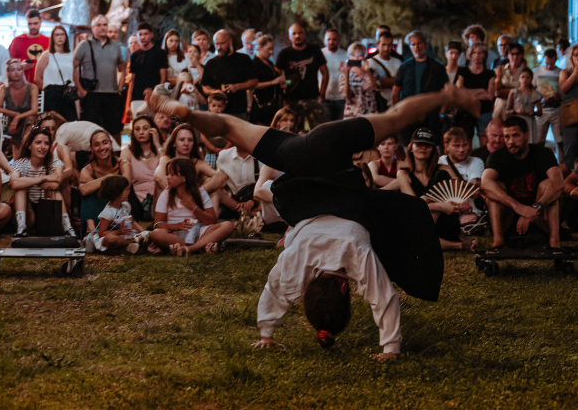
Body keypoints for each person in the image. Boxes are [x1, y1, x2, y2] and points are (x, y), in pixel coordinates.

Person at [150, 85, 480, 359]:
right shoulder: (299, 258)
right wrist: (265, 333)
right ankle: (188, 114)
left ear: (344, 288)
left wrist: (390, 348)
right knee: (226, 126)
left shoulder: (357, 253)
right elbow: (275, 289)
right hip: (295, 154)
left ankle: (447, 95)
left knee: (396, 118)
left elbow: (384, 298)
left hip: (332, 146)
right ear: (308, 289)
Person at [481, 114, 564, 250]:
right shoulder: (497, 157)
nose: (510, 141)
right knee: (495, 190)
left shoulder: (543, 153)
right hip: (509, 216)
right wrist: (517, 207)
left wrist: (536, 208)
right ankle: (498, 242)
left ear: (527, 134)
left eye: (515, 136)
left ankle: (554, 243)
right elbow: (485, 183)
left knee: (548, 185)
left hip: (539, 216)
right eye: (507, 137)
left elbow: (558, 183)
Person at [397, 128, 474, 252]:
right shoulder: (403, 174)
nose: (423, 148)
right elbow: (414, 207)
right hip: (422, 223)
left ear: (433, 149)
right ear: (411, 147)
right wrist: (440, 206)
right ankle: (458, 245)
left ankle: (424, 237)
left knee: (441, 175)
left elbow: (461, 192)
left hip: (445, 224)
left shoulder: (444, 169)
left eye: (427, 145)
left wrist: (464, 200)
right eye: (419, 144)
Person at [151, 157, 234, 255]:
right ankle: (199, 246)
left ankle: (191, 248)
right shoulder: (166, 194)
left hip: (197, 231)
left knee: (228, 226)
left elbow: (212, 220)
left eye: (172, 174)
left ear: (184, 178)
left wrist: (193, 207)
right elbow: (158, 224)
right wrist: (176, 226)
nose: (168, 177)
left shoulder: (200, 192)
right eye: (167, 174)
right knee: (156, 233)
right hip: (175, 234)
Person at [9, 125, 74, 237]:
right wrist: (43, 178)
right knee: (20, 189)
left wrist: (27, 180)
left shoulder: (54, 162)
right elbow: (14, 183)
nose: (43, 147)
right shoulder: (20, 163)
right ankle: (21, 228)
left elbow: (57, 179)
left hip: (45, 209)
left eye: (46, 143)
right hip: (28, 211)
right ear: (29, 145)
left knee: (54, 190)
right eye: (38, 142)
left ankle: (68, 227)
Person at [74, 15, 125, 141]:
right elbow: (73, 67)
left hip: (111, 94)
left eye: (105, 25)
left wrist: (119, 89)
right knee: (90, 131)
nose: (102, 27)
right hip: (91, 94)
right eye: (98, 25)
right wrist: (80, 89)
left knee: (113, 130)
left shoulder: (116, 46)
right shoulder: (84, 45)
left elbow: (122, 68)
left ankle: (115, 153)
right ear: (92, 28)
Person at [392, 31, 449, 139]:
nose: (416, 47)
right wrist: (398, 111)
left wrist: (442, 112)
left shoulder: (437, 67)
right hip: (408, 114)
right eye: (413, 44)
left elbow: (445, 92)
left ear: (425, 44)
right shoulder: (405, 67)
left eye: (419, 43)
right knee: (409, 142)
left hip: (431, 114)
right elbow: (396, 91)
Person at [78, 128, 131, 236]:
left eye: (105, 143)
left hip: (119, 208)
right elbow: (83, 190)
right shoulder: (88, 169)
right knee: (89, 194)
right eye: (97, 145)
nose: (102, 147)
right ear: (92, 148)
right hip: (96, 212)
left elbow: (125, 189)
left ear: (111, 144)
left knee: (96, 190)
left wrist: (99, 183)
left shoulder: (123, 164)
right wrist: (107, 177)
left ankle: (92, 230)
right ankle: (90, 226)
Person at [200, 29, 258, 120]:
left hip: (238, 110)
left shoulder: (244, 59)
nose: (219, 47)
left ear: (230, 41)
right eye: (216, 44)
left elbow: (254, 81)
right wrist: (214, 92)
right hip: (217, 112)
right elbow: (204, 86)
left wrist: (237, 87)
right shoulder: (211, 63)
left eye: (222, 44)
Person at [84, 175, 150, 255]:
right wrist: (119, 231)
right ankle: (134, 242)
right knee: (110, 239)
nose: (129, 191)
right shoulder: (108, 213)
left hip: (124, 236)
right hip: (110, 237)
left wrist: (143, 232)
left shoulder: (126, 206)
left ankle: (129, 246)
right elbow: (102, 233)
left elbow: (132, 221)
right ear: (118, 193)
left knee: (146, 234)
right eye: (127, 189)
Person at [275, 23, 328, 117]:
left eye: (300, 33)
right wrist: (287, 83)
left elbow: (325, 73)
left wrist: (322, 94)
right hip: (291, 100)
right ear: (289, 36)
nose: (297, 36)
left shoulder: (314, 50)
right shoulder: (284, 54)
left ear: (304, 34)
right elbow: (276, 76)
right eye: (294, 33)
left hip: (312, 98)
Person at [0, 59, 39, 158]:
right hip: (13, 123)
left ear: (23, 71)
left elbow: (34, 110)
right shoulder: (4, 88)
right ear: (8, 72)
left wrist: (18, 117)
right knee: (23, 125)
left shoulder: (32, 87)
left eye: (19, 69)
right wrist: (15, 115)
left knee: (29, 120)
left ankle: (21, 156)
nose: (16, 72)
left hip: (30, 122)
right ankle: (22, 157)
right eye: (13, 70)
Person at [121, 114, 162, 219]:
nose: (141, 132)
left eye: (145, 128)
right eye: (137, 129)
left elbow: (166, 168)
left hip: (161, 198)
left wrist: (157, 144)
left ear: (153, 130)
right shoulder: (127, 152)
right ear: (133, 132)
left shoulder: (161, 150)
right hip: (137, 201)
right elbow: (125, 181)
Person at [456, 42, 497, 144]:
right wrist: (480, 91)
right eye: (474, 53)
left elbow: (489, 95)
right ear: (470, 54)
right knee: (466, 140)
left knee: (485, 141)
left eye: (480, 53)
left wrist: (468, 93)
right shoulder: (463, 71)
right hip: (466, 110)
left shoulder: (489, 73)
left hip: (484, 110)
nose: (477, 56)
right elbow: (460, 91)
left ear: (484, 55)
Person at [35, 24, 78, 122]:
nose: (60, 37)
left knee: (70, 121)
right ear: (53, 37)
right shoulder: (47, 55)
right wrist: (48, 90)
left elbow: (75, 75)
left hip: (68, 92)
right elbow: (37, 77)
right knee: (53, 122)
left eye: (62, 34)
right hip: (52, 92)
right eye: (57, 35)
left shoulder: (71, 55)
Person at [127, 22, 168, 117]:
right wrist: (128, 104)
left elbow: (163, 77)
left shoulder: (160, 53)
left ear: (151, 35)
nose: (143, 37)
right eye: (140, 34)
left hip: (154, 95)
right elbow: (132, 80)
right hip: (137, 96)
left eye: (145, 34)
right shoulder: (134, 55)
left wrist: (157, 95)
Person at [7, 9, 50, 86]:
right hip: (21, 86)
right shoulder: (17, 41)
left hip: (43, 85)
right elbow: (8, 64)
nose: (32, 26)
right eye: (30, 24)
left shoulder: (48, 41)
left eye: (35, 23)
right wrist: (20, 66)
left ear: (40, 22)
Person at [337, 42, 378, 119]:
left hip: (370, 114)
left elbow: (376, 87)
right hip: (352, 114)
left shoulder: (371, 72)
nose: (356, 58)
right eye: (353, 55)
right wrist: (347, 73)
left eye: (359, 55)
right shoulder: (344, 75)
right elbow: (346, 96)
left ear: (364, 56)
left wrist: (367, 71)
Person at [251, 34, 285, 125]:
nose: (271, 52)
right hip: (261, 104)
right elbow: (253, 85)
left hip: (274, 103)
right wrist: (273, 82)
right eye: (268, 49)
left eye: (272, 49)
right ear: (260, 47)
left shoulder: (269, 62)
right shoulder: (254, 64)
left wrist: (284, 82)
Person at [533, 48, 562, 149]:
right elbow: (532, 89)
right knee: (539, 140)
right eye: (547, 63)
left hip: (557, 109)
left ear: (555, 59)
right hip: (542, 109)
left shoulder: (560, 72)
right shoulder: (536, 72)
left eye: (552, 63)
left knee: (559, 140)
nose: (549, 66)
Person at [366, 30, 402, 110]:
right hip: (377, 105)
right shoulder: (369, 63)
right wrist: (393, 81)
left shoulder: (398, 62)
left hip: (395, 104)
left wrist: (384, 81)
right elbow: (371, 85)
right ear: (377, 45)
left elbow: (402, 82)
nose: (386, 48)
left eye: (389, 45)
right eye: (383, 45)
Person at [505, 68, 542, 140]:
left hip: (529, 121)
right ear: (519, 78)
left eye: (528, 77)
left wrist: (533, 113)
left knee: (529, 139)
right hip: (517, 120)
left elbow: (540, 112)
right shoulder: (514, 92)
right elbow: (507, 111)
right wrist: (516, 111)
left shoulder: (535, 94)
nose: (525, 79)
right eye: (523, 77)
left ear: (531, 79)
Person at [320, 29, 348, 122]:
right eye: (329, 39)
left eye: (334, 39)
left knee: (340, 125)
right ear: (324, 40)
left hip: (341, 98)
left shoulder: (345, 55)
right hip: (325, 97)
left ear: (339, 40)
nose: (331, 42)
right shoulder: (320, 55)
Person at [494, 43, 529, 117]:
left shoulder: (525, 72)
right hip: (500, 107)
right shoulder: (500, 69)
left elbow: (525, 92)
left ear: (521, 55)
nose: (515, 57)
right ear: (508, 55)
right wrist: (514, 90)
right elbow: (497, 92)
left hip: (517, 108)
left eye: (518, 54)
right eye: (512, 54)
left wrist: (505, 90)